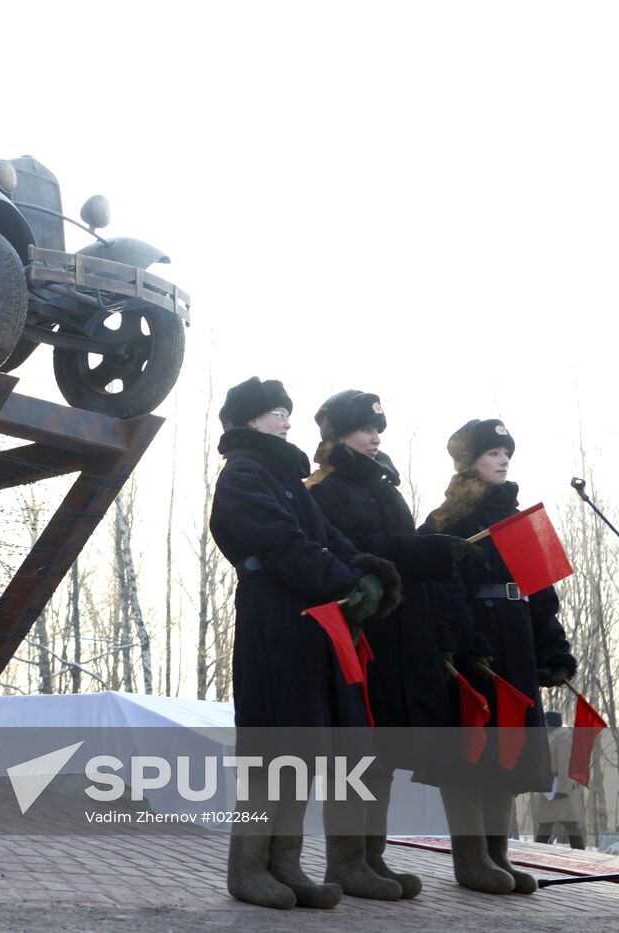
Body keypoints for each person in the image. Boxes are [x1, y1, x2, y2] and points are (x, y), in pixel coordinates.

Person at [210, 377, 401, 910]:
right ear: (250, 421)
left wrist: (367, 571)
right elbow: (281, 543)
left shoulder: (284, 476)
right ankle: (247, 869)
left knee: (298, 747)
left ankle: (286, 866)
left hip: (303, 621)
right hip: (272, 618)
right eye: (277, 412)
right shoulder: (244, 474)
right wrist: (345, 582)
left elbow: (327, 537)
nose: (287, 421)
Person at [306, 390, 477, 900]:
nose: (375, 435)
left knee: (381, 749)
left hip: (400, 631)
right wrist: (427, 552)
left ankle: (371, 857)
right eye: (363, 428)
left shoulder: (384, 488)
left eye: (377, 428)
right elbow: (352, 553)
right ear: (336, 435)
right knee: (356, 750)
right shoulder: (325, 490)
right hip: (360, 633)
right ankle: (346, 861)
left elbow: (394, 550)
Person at [421, 419, 577, 895]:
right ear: (469, 463)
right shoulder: (445, 520)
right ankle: (471, 859)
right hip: (473, 645)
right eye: (491, 452)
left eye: (506, 451)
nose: (503, 459)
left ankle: (497, 854)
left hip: (516, 639)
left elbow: (542, 594)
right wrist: (463, 642)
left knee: (509, 748)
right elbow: (437, 592)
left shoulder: (524, 519)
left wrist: (553, 649)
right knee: (474, 748)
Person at [532, 711, 586, 848]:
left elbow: (565, 764)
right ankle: (537, 856)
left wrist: (563, 789)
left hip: (560, 787)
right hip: (550, 786)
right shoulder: (550, 736)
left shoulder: (562, 737)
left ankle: (581, 857)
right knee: (545, 825)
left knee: (571, 826)